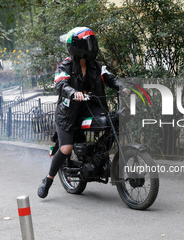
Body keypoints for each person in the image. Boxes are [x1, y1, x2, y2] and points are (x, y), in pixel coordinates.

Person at [38, 27, 130, 198]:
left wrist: (122, 87)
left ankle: (97, 157)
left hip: (89, 107)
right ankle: (48, 180)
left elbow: (110, 77)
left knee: (111, 122)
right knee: (66, 148)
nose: (91, 46)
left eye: (92, 42)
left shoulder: (96, 66)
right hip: (68, 114)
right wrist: (73, 92)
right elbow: (60, 83)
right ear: (77, 46)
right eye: (88, 43)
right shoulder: (65, 65)